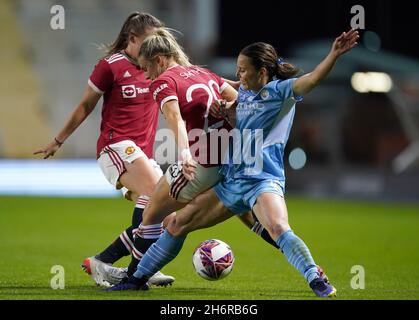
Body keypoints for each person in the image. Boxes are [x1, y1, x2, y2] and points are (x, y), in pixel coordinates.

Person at [107, 29, 359, 297]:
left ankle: (315, 277)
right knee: (177, 224)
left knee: (277, 227)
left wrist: (333, 55)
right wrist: (221, 108)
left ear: (262, 72)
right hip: (230, 181)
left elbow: (311, 80)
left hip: (262, 181)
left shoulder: (280, 91)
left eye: (242, 70)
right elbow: (225, 100)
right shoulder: (245, 94)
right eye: (237, 70)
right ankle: (135, 280)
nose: (238, 75)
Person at [34, 12, 175, 287]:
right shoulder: (110, 66)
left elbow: (196, 76)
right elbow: (86, 105)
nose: (154, 48)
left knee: (166, 214)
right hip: (116, 146)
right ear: (132, 38)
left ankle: (105, 262)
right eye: (149, 41)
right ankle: (140, 267)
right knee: (154, 196)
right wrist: (58, 140)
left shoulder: (157, 65)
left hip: (143, 154)